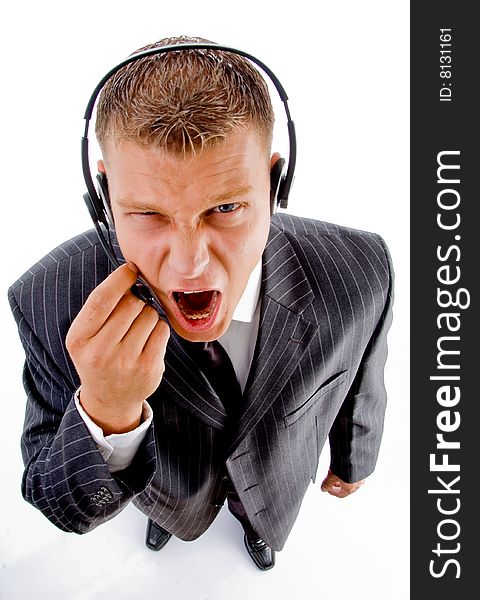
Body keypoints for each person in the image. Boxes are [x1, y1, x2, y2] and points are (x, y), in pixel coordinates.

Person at [7, 35, 394, 572]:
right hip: (168, 497)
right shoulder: (46, 298)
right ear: (103, 194)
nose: (189, 266)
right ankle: (169, 521)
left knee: (261, 522)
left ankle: (255, 531)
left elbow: (360, 385)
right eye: (147, 214)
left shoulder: (362, 269)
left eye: (227, 207)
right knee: (171, 515)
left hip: (277, 498)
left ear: (275, 182)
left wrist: (355, 461)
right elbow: (59, 504)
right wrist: (108, 410)